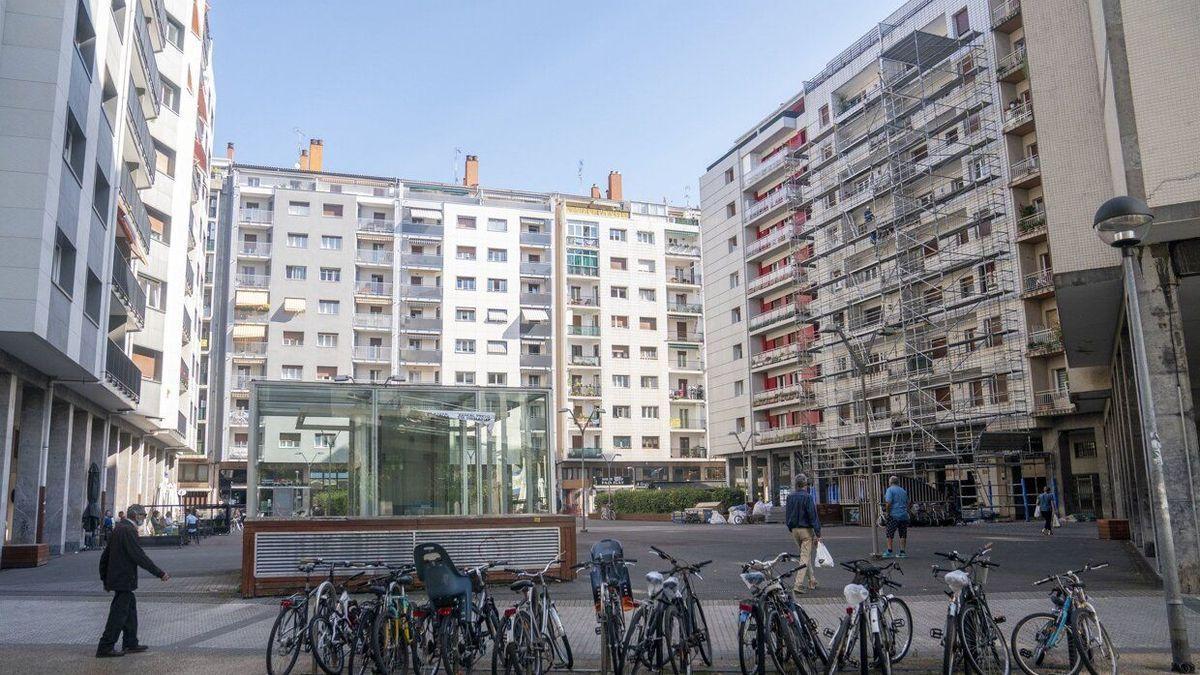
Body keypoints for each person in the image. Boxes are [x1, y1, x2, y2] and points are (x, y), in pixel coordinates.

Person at [96, 504, 169, 658]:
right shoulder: (128, 530)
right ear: (135, 516)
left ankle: (130, 642)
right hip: (123, 578)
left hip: (119, 578)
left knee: (130, 609)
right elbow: (138, 556)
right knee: (118, 614)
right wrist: (160, 573)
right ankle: (105, 646)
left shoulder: (120, 528)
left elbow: (105, 556)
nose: (144, 518)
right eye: (143, 515)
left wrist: (105, 578)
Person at [784, 474, 821, 594]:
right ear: (806, 484)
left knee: (805, 555)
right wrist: (818, 532)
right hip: (806, 530)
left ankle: (812, 580)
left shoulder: (790, 497)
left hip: (794, 530)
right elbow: (813, 516)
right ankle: (798, 584)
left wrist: (790, 527)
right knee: (805, 557)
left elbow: (788, 514)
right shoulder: (808, 497)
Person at [883, 476, 911, 558]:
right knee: (903, 533)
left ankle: (889, 551)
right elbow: (908, 503)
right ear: (898, 482)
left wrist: (887, 513)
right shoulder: (903, 490)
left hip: (894, 515)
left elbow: (888, 503)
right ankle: (902, 552)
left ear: (890, 482)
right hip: (903, 515)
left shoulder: (890, 490)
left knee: (890, 533)